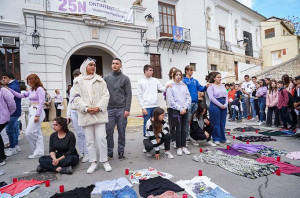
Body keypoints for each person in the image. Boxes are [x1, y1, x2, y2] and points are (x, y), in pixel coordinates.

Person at [72, 58, 112, 174]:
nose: (93, 67)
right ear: (85, 66)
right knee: (89, 140)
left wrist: (98, 107)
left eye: (94, 65)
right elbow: (76, 98)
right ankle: (93, 162)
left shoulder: (100, 80)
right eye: (90, 65)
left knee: (101, 138)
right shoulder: (77, 81)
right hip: (86, 115)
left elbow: (106, 95)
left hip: (99, 114)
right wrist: (86, 108)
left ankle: (104, 161)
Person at [8, 74, 46, 159]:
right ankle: (38, 151)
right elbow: (20, 95)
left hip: (37, 111)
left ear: (35, 80)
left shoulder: (39, 89)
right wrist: (9, 90)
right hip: (32, 111)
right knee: (37, 133)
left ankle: (37, 151)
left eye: (30, 80)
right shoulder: (32, 90)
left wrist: (37, 115)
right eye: (28, 80)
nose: (28, 82)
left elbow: (41, 103)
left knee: (29, 133)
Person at [104, 58, 132, 160]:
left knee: (121, 131)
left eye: (117, 64)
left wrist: (127, 109)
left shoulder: (125, 78)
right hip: (109, 109)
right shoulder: (106, 78)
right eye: (113, 63)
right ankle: (109, 152)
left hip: (122, 109)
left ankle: (121, 151)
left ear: (120, 66)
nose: (114, 65)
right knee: (108, 131)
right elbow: (103, 93)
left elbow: (129, 94)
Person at [137, 65, 168, 140]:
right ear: (145, 71)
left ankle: (157, 139)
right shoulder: (140, 81)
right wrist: (143, 107)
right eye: (150, 70)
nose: (152, 72)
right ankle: (146, 141)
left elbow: (162, 88)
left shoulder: (155, 80)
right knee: (146, 124)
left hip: (155, 106)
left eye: (152, 70)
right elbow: (139, 95)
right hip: (146, 107)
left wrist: (168, 86)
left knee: (157, 123)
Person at [167, 69, 191, 156]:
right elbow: (171, 100)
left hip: (185, 110)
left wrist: (185, 107)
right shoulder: (171, 87)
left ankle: (184, 146)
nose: (178, 76)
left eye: (180, 75)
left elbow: (188, 97)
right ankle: (178, 147)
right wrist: (180, 108)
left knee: (184, 128)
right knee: (178, 129)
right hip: (176, 111)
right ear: (173, 76)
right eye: (176, 74)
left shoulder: (184, 86)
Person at [67, 69, 88, 163]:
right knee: (79, 134)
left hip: (82, 111)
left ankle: (88, 153)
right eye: (74, 77)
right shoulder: (72, 88)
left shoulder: (85, 87)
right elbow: (70, 102)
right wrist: (68, 114)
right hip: (73, 111)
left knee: (85, 133)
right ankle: (81, 152)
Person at [182, 65, 207, 140]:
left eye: (192, 70)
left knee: (192, 119)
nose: (192, 72)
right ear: (186, 70)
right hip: (188, 103)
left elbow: (201, 88)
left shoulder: (195, 81)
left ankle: (191, 134)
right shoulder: (183, 80)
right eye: (190, 70)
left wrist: (206, 86)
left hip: (195, 103)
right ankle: (186, 136)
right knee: (187, 120)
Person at [1, 73, 21, 157]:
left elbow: (11, 101)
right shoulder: (14, 84)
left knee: (10, 130)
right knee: (14, 129)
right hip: (15, 111)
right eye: (2, 78)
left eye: (5, 78)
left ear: (10, 78)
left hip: (13, 112)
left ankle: (13, 147)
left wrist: (10, 111)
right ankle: (16, 146)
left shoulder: (12, 86)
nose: (3, 80)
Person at [206, 72, 229, 145]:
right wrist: (220, 105)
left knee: (223, 122)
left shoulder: (223, 86)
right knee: (216, 122)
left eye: (220, 77)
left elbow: (226, 95)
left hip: (223, 103)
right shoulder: (211, 86)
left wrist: (225, 104)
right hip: (215, 104)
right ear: (214, 78)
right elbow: (211, 98)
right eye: (218, 77)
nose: (220, 78)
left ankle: (223, 138)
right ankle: (216, 138)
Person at [0, 84, 16, 166]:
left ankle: (1, 158)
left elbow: (12, 103)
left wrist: (9, 113)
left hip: (3, 117)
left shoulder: (3, 90)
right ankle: (2, 156)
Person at [165, 67, 176, 146]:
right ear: (171, 74)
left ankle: (178, 138)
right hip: (171, 106)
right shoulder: (169, 82)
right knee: (172, 123)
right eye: (173, 72)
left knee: (178, 123)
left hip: (178, 106)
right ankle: (173, 138)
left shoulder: (180, 82)